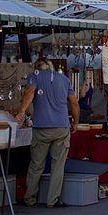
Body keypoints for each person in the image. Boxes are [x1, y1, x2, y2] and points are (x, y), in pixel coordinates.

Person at [17, 59, 78, 207]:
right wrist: (75, 122)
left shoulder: (35, 76)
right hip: (61, 127)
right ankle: (53, 200)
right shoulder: (64, 79)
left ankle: (30, 198)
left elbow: (30, 92)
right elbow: (74, 103)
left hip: (41, 127)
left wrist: (22, 111)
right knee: (57, 166)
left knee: (36, 164)